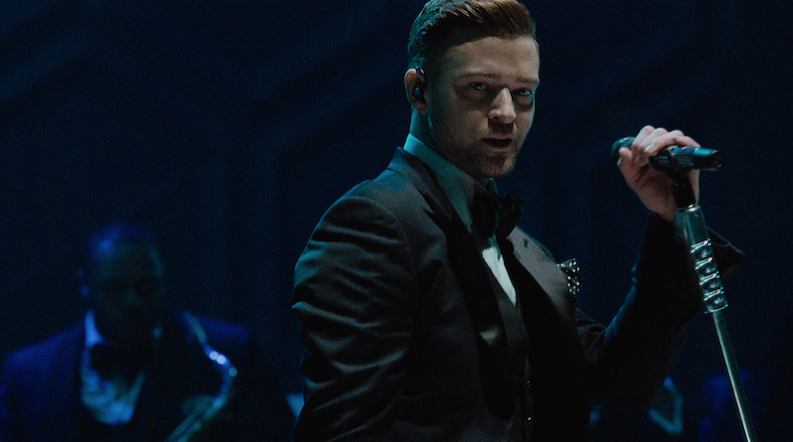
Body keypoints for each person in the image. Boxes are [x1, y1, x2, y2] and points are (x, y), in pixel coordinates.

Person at [291, 1, 742, 441]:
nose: (507, 112)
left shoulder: (521, 250)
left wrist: (669, 219)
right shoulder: (371, 224)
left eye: (523, 92)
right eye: (479, 87)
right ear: (419, 91)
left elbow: (622, 382)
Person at [0, 222, 296, 441]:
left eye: (146, 287)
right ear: (85, 285)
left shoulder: (230, 348)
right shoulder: (27, 373)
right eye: (116, 288)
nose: (133, 301)